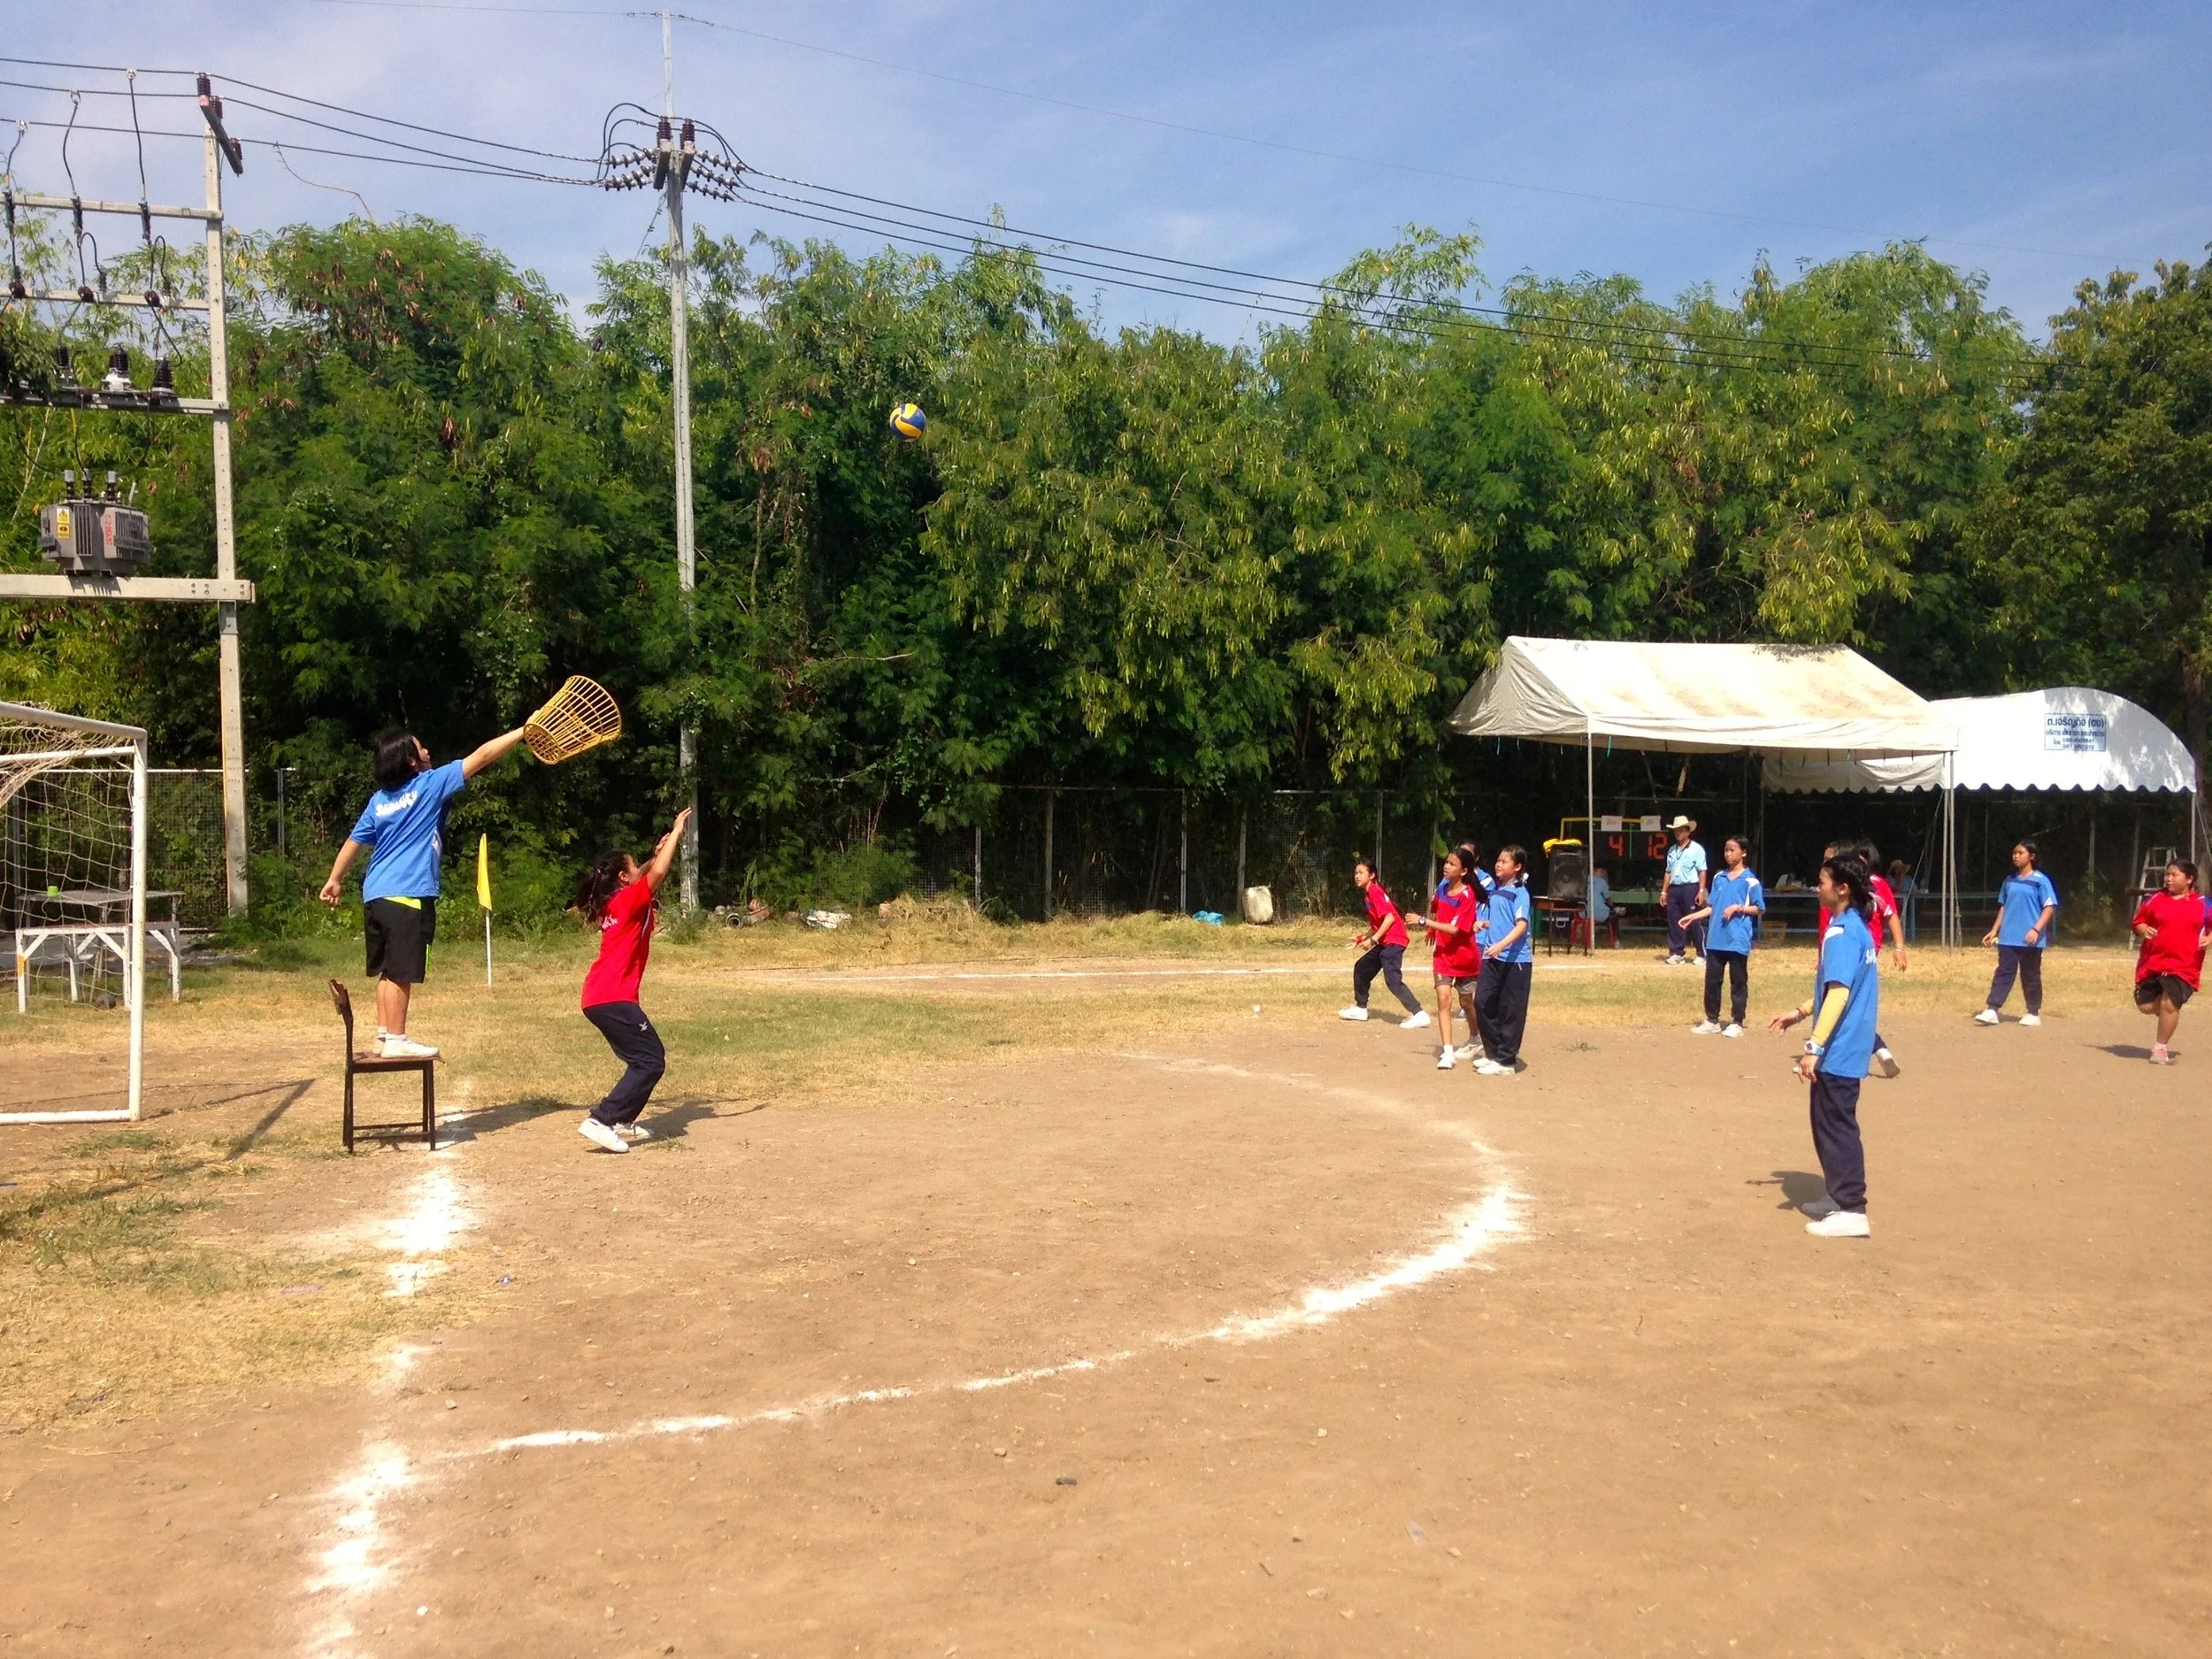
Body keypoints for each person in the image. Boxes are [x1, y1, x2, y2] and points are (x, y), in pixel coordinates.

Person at [320, 725, 530, 1057]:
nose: (428, 751)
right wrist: (521, 732)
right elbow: (482, 756)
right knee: (402, 972)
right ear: (411, 761)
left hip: (376, 895)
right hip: (407, 893)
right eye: (421, 748)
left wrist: (335, 878)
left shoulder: (380, 801)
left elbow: (353, 841)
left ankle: (384, 1036)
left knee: (389, 971)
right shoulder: (429, 785)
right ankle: (398, 1041)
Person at [1767, 854, 1882, 1240]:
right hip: (1846, 1046)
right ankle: (1838, 1197)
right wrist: (1799, 1013)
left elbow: (1839, 993)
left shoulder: (1842, 932)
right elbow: (1833, 988)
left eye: (1822, 881)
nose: (1818, 887)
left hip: (1840, 1048)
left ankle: (1852, 1208)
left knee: (1836, 1128)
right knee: (1828, 1124)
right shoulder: (1853, 926)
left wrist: (1813, 1046)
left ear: (1842, 888)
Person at [572, 808, 691, 1153]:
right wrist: (677, 834)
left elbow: (647, 874)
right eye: (633, 864)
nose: (639, 867)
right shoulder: (626, 900)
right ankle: (602, 1119)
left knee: (644, 1060)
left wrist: (654, 856)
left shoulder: (615, 901)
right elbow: (659, 873)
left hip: (599, 997)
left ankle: (623, 1120)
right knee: (650, 1060)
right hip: (612, 997)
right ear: (624, 878)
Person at [1824, 838, 1905, 1078]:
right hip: (1847, 946)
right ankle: (1879, 1050)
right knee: (1847, 1002)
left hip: (1856, 947)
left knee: (1839, 1001)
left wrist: (1899, 947)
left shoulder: (1867, 884)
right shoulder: (1836, 886)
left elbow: (1891, 914)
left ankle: (1822, 1053)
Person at [2131, 859, 2212, 1065]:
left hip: (2185, 966)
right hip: (2154, 963)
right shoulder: (2155, 899)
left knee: (2169, 1003)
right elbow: (2138, 922)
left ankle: (2160, 1048)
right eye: (2167, 874)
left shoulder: (2204, 903)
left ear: (2189, 879)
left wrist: (2210, 938)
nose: (2168, 878)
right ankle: (2170, 1013)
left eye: (2174, 875)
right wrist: (2142, 929)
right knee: (2146, 1006)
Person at [1411, 844, 1485, 1069]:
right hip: (1442, 955)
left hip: (1464, 957)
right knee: (1443, 1000)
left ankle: (1475, 1038)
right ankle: (1447, 1052)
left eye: (1452, 864)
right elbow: (1436, 907)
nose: (1446, 866)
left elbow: (1455, 930)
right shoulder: (1442, 888)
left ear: (1463, 871)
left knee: (1467, 1002)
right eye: (1446, 862)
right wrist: (1432, 930)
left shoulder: (1468, 896)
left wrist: (1424, 922)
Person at [1685, 834, 1763, 1036]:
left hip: (1736, 939)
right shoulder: (1719, 878)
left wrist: (1738, 908)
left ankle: (1737, 1022)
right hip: (1716, 939)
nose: (1728, 854)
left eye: (1733, 850)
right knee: (1712, 982)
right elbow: (1711, 907)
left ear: (1743, 853)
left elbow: (1759, 909)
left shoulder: (1750, 881)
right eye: (1726, 850)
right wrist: (1692, 916)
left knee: (1738, 981)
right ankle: (1712, 1020)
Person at [1340, 856, 1430, 1030]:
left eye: (1361, 873)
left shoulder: (1375, 891)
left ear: (1372, 875)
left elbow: (1389, 918)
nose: (1357, 876)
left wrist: (1373, 940)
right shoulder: (1369, 893)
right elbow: (1378, 923)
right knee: (1361, 968)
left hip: (1394, 941)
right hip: (1386, 941)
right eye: (1356, 873)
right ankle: (1360, 1009)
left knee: (1393, 980)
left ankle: (1419, 1014)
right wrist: (1362, 937)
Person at [1977, 840, 2059, 1026]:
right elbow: (2004, 906)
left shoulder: (2040, 881)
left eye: (2020, 853)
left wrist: (2036, 929)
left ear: (2032, 856)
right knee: (2004, 972)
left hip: (2031, 938)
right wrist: (1994, 930)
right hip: (2008, 937)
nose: (2016, 856)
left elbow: (2049, 907)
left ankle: (2033, 1012)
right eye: (2014, 853)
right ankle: (1992, 1009)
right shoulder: (2009, 881)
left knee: (2030, 975)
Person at [1473, 845, 1534, 1076]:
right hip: (1493, 957)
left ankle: (1506, 1061)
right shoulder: (1497, 891)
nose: (1499, 864)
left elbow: (1521, 925)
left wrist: (1502, 944)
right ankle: (1494, 1052)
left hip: (1515, 961)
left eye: (1505, 862)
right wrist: (1485, 924)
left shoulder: (1520, 893)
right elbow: (1503, 920)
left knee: (1511, 1010)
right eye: (1498, 860)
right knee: (1482, 1001)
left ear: (1517, 867)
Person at [1662, 816, 1708, 966]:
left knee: (1694, 919)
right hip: (1675, 888)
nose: (1677, 833)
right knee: (1674, 920)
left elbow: (1702, 871)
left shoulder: (1697, 849)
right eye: (1676, 830)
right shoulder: (1672, 850)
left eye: (1681, 830)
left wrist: (1701, 891)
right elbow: (1668, 871)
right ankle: (1677, 952)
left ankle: (1701, 953)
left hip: (1690, 887)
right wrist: (1664, 891)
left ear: (1688, 831)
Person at [1586, 863, 1618, 949]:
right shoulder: (1602, 882)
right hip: (1599, 914)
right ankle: (1616, 941)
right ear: (1595, 870)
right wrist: (1612, 908)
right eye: (1601, 872)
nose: (1602, 874)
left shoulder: (1581, 881)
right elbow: (1608, 900)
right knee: (1614, 916)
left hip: (1583, 913)